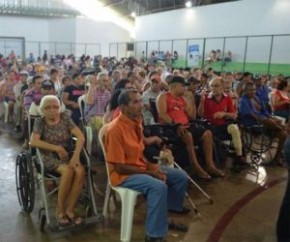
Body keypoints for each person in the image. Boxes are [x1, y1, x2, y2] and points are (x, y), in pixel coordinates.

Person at [105, 89, 188, 242]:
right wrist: (151, 173)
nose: (141, 105)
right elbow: (119, 167)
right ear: (123, 107)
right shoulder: (115, 129)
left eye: (140, 101)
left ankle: (164, 218)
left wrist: (152, 167)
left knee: (180, 177)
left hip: (140, 167)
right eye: (135, 102)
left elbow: (139, 153)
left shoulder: (136, 122)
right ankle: (154, 235)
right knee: (158, 186)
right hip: (123, 175)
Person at [30, 95, 85, 227]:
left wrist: (76, 155)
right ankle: (60, 212)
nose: (52, 110)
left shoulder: (65, 117)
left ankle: (70, 210)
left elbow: (80, 136)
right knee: (67, 170)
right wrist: (57, 148)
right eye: (48, 107)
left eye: (55, 106)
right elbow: (34, 141)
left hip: (67, 153)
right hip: (47, 155)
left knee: (80, 170)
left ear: (59, 107)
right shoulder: (40, 122)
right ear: (42, 110)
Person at [156, 76, 224, 180]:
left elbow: (192, 116)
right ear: (174, 86)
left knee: (207, 133)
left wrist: (190, 100)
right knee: (188, 135)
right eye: (182, 86)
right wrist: (175, 124)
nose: (184, 88)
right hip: (170, 128)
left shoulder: (183, 99)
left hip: (186, 126)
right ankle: (196, 167)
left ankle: (210, 165)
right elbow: (162, 114)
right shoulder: (163, 96)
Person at [198, 77, 246, 166]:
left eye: (216, 86)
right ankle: (217, 160)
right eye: (212, 86)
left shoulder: (227, 98)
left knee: (234, 128)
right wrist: (201, 102)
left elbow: (234, 115)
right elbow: (200, 115)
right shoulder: (206, 97)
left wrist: (224, 113)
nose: (213, 88)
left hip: (223, 125)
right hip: (210, 126)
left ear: (222, 87)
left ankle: (239, 156)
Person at [238, 82, 287, 164]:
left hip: (265, 123)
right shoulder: (243, 100)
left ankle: (277, 158)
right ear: (245, 90)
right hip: (253, 124)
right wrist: (268, 120)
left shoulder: (256, 98)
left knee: (283, 134)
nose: (253, 91)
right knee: (272, 122)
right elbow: (252, 115)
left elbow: (265, 111)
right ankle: (278, 126)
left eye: (254, 89)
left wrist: (271, 118)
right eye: (250, 90)